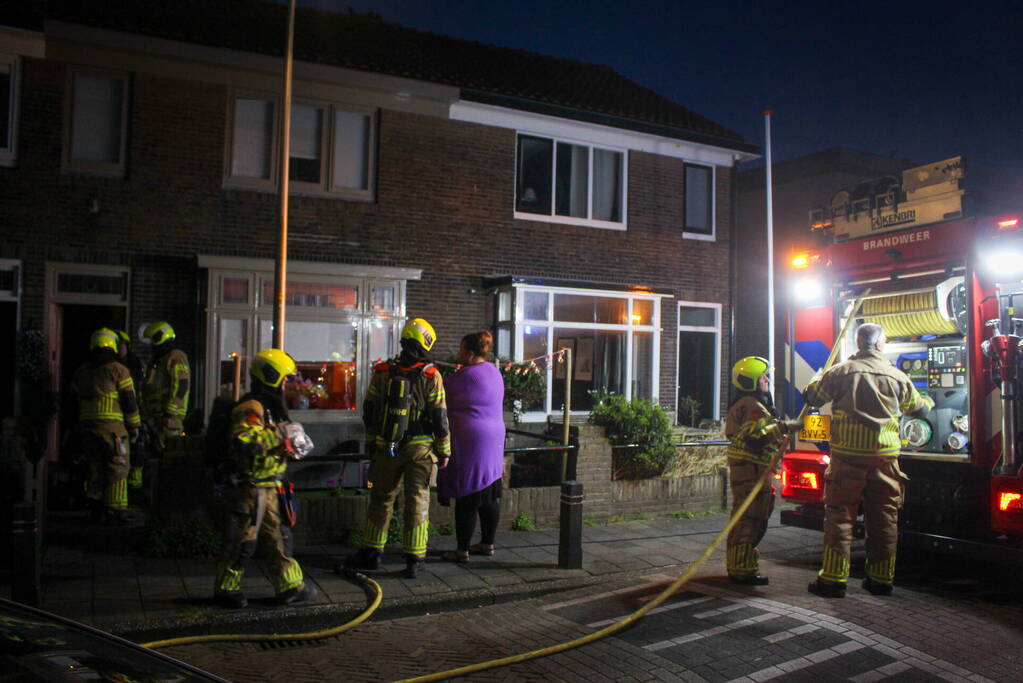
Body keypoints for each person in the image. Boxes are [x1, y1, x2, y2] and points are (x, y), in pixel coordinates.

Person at [804, 323, 933, 598]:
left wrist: (817, 376)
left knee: (840, 517)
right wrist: (929, 403)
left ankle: (834, 580)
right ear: (879, 344)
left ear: (858, 343)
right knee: (884, 519)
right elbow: (918, 408)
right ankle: (881, 580)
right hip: (885, 460)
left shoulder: (840, 373)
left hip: (847, 459)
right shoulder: (897, 376)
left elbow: (813, 397)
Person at [344, 318, 451, 579]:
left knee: (380, 498)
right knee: (417, 501)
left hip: (387, 447)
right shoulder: (431, 375)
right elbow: (439, 417)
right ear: (425, 342)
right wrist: (445, 450)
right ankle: (414, 559)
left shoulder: (382, 371)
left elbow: (369, 412)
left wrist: (372, 443)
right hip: (420, 451)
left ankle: (371, 553)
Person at [213, 348, 316, 608]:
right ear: (271, 377)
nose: (286, 385)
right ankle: (226, 589)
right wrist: (280, 435)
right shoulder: (251, 407)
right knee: (242, 543)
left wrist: (290, 445)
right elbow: (245, 441)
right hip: (250, 488)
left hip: (270, 486)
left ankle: (291, 587)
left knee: (279, 540)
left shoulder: (270, 408)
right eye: (284, 379)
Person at [724, 356, 799, 585]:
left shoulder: (752, 404)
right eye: (763, 376)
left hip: (754, 471)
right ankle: (740, 570)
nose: (767, 380)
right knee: (750, 519)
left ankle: (742, 565)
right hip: (751, 473)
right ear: (753, 381)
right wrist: (786, 427)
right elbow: (756, 437)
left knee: (753, 518)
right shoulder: (752, 406)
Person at [437, 331, 505, 562]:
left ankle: (462, 550)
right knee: (489, 492)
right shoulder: (494, 372)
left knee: (468, 493)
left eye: (461, 349)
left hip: (473, 440)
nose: (459, 353)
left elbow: (438, 393)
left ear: (470, 352)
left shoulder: (464, 377)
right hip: (494, 439)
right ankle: (487, 544)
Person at [71, 328, 141, 525]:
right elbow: (129, 401)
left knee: (94, 466)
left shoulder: (81, 372)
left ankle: (95, 507)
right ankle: (115, 510)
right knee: (118, 466)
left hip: (87, 429)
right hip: (113, 429)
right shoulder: (118, 370)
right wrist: (135, 426)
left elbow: (73, 398)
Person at [139, 321, 191, 464]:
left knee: (169, 458)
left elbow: (181, 385)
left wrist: (170, 413)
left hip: (168, 420)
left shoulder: (176, 356)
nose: (151, 346)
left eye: (152, 342)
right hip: (154, 419)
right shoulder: (157, 361)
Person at [114, 329, 145, 490]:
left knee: (137, 447)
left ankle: (135, 484)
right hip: (117, 414)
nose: (120, 349)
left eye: (122, 345)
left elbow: (139, 388)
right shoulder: (111, 366)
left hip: (135, 409)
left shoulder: (135, 364)